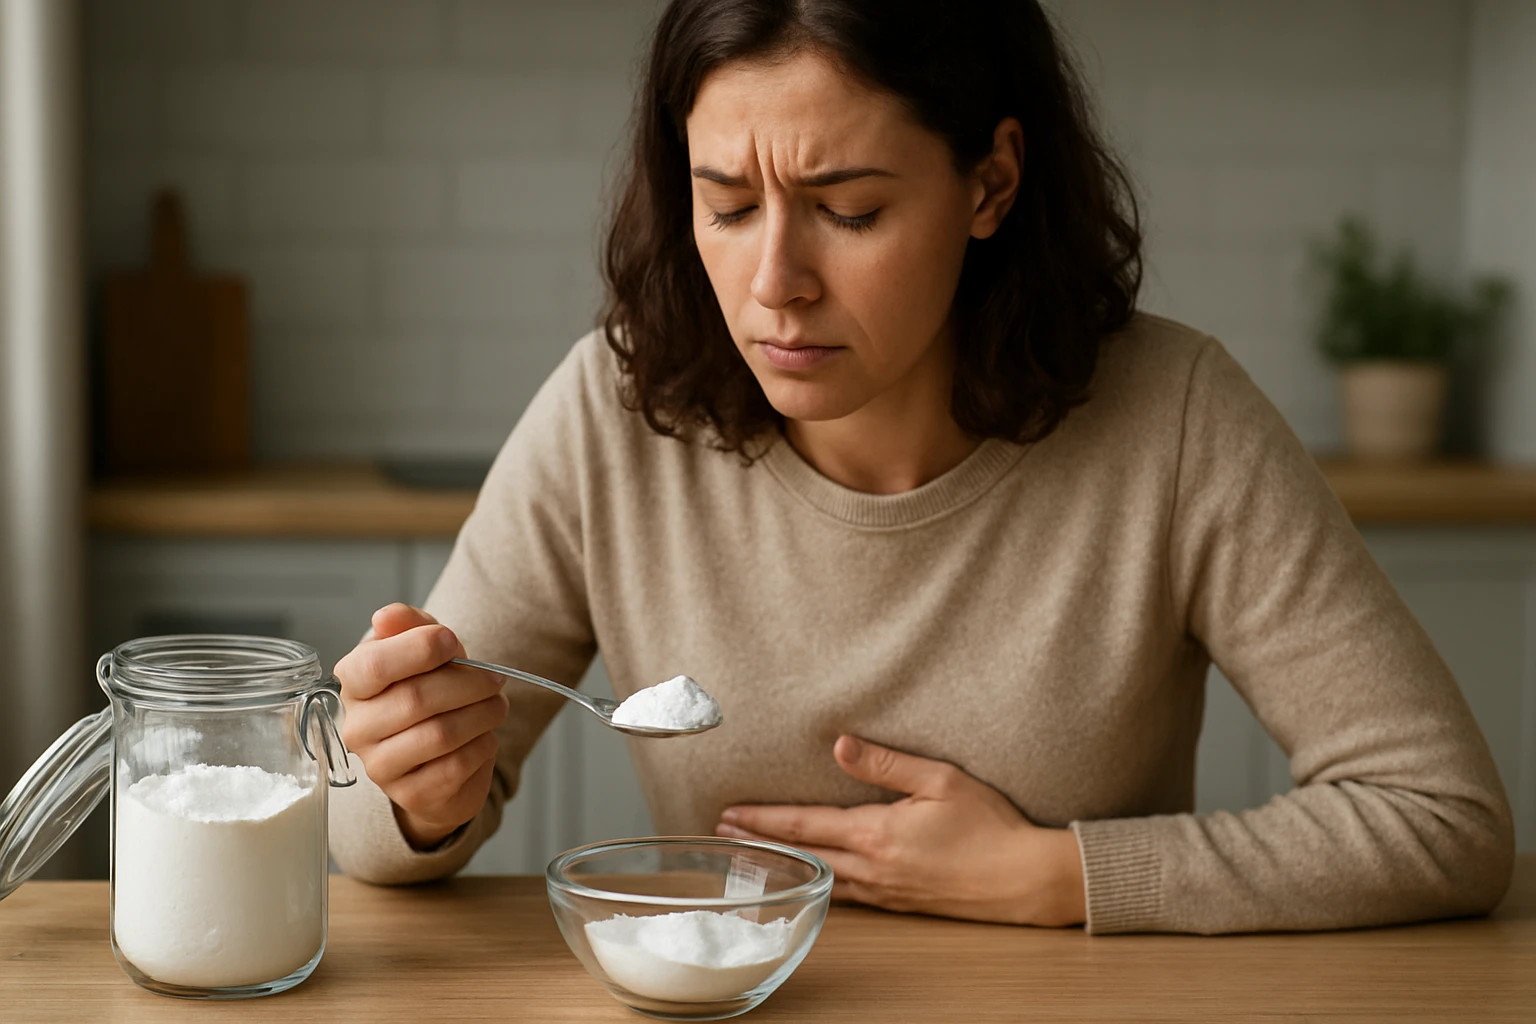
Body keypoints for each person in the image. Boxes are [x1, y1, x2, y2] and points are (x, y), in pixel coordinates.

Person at [329, 0, 1513, 934]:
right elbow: (364, 834)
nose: (773, 282)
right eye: (726, 205)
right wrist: (413, 795)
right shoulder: (612, 409)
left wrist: (1061, 875)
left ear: (990, 183)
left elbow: (1443, 818)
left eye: (846, 210)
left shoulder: (1176, 420)